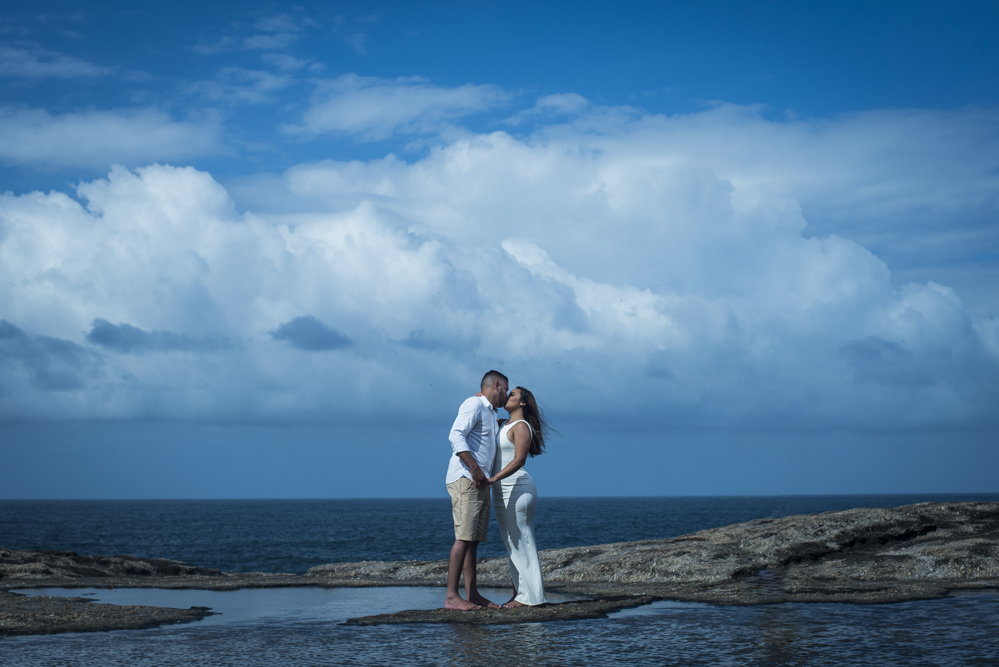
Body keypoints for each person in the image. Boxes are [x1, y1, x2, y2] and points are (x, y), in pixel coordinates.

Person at [444, 370, 509, 610]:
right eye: (506, 390)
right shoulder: (474, 404)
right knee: (463, 538)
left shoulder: (490, 413)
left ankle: (472, 594)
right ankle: (452, 597)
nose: (507, 396)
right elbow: (455, 435)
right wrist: (474, 469)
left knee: (473, 540)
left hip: (479, 481)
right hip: (466, 478)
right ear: (497, 385)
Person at [486, 386, 551, 607]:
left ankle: (533, 597)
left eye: (512, 394)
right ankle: (520, 594)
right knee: (512, 543)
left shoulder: (521, 426)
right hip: (501, 491)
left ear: (523, 402)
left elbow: (519, 460)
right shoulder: (503, 423)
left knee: (523, 540)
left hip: (518, 488)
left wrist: (493, 479)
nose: (506, 396)